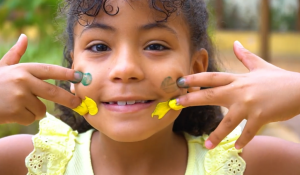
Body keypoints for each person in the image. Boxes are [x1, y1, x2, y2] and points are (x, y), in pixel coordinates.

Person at [0, 0, 300, 174]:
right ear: (70, 70)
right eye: (100, 46)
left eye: (155, 45)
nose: (126, 70)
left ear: (195, 69)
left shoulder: (248, 163)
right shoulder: (25, 162)